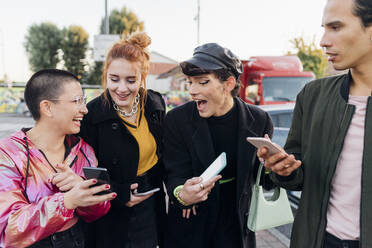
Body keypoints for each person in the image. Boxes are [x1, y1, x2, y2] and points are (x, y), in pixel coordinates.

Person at [257, 0, 372, 247]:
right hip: (318, 240)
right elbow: (298, 175)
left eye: (336, 27)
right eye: (324, 28)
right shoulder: (312, 96)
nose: (323, 41)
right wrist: (283, 169)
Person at [163, 43, 274, 248]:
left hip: (237, 228)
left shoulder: (259, 120)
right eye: (190, 83)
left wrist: (272, 167)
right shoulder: (177, 120)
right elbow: (174, 174)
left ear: (228, 83)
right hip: (191, 228)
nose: (193, 91)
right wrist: (182, 194)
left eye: (203, 82)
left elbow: (265, 180)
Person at [0, 69, 115, 248]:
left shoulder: (84, 150)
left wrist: (84, 188)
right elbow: (8, 229)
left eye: (83, 101)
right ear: (47, 107)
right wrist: (66, 202)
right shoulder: (8, 153)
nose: (84, 109)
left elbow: (99, 210)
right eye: (77, 101)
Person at [79, 32, 166, 248]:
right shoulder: (91, 114)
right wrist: (117, 193)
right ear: (106, 75)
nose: (122, 88)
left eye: (131, 80)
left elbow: (166, 155)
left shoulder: (154, 105)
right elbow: (81, 171)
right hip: (108, 206)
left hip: (149, 199)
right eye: (114, 79)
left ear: (142, 78)